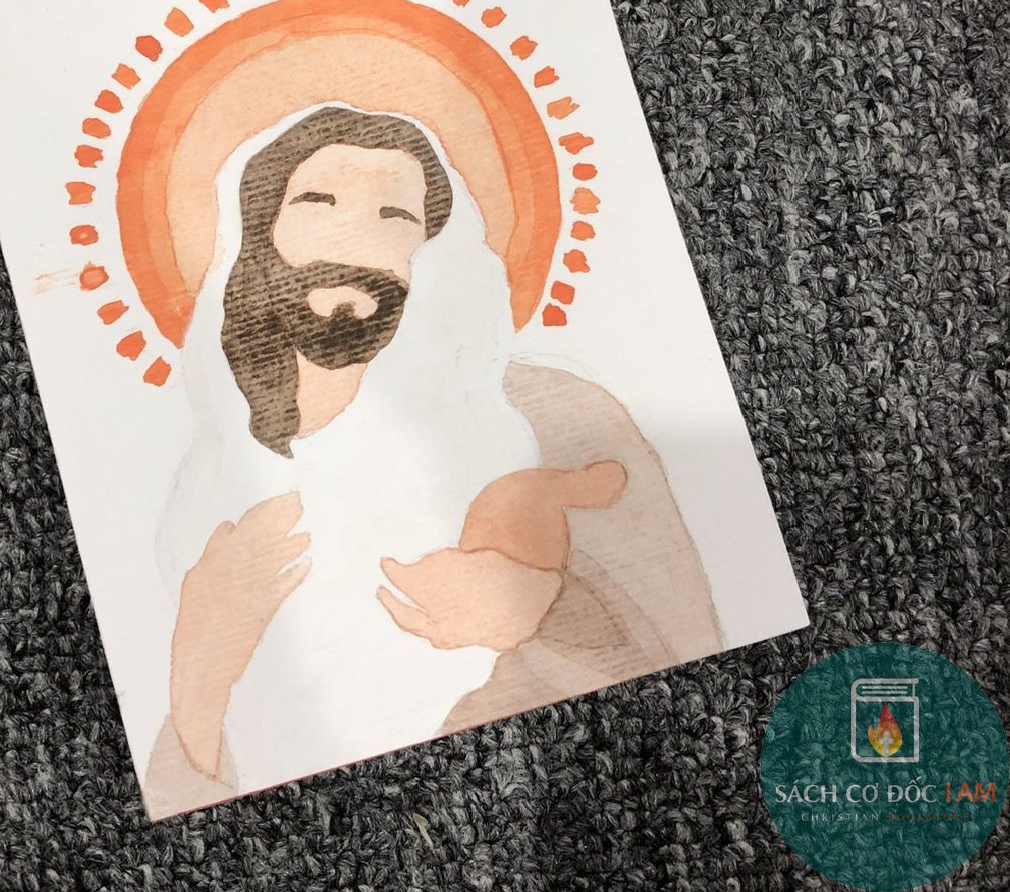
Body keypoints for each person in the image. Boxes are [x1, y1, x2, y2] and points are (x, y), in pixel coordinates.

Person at [143, 105, 720, 818]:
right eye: (318, 202)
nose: (356, 240)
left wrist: (547, 605)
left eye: (394, 215)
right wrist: (198, 673)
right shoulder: (208, 479)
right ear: (258, 237)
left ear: (435, 251)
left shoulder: (553, 413)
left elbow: (689, 642)